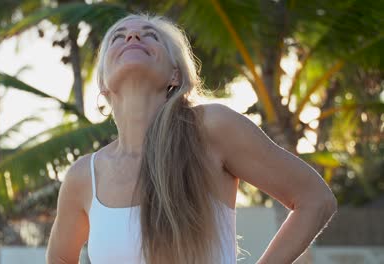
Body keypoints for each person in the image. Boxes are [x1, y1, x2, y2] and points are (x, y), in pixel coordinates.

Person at [46, 13, 337, 264]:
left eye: (150, 37)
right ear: (104, 84)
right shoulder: (84, 175)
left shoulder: (212, 128)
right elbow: (59, 257)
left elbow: (315, 199)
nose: (132, 36)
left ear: (175, 74)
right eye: (117, 37)